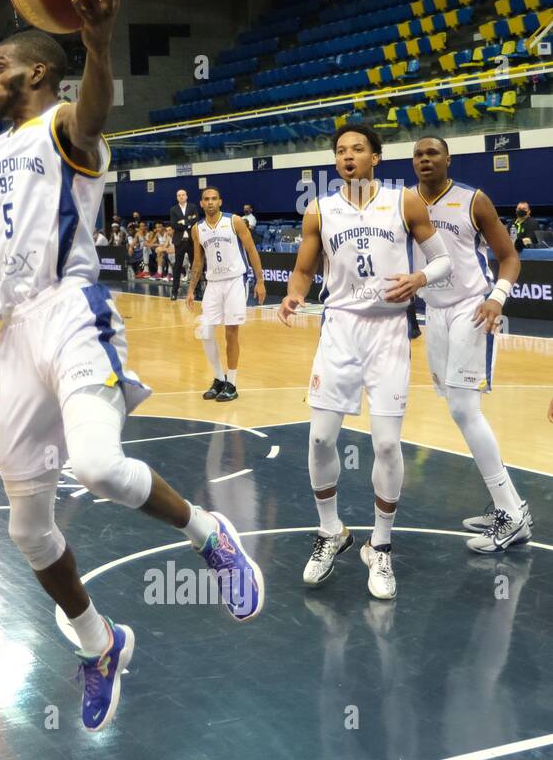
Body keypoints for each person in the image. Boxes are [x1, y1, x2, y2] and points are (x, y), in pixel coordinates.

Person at [0, 0, 264, 734]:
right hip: (14, 333)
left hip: (74, 312)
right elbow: (2, 264)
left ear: (37, 72)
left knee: (98, 467)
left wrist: (99, 43)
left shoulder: (65, 122)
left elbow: (96, 111)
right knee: (26, 529)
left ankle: (212, 535)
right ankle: (99, 644)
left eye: (1, 65)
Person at [279, 123, 451, 600]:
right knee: (319, 438)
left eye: (357, 149)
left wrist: (418, 278)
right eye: (340, 151)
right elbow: (302, 270)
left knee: (389, 446)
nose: (347, 156)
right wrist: (293, 297)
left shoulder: (404, 201)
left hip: (389, 333)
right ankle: (331, 530)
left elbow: (443, 263)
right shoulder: (321, 209)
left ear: (376, 156)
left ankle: (381, 546)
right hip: (339, 331)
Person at [409, 137, 531, 552]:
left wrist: (497, 299)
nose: (425, 160)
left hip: (470, 308)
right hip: (434, 312)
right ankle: (507, 504)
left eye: (433, 154)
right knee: (458, 408)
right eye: (419, 155)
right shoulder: (404, 203)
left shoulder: (473, 200)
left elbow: (509, 257)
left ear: (448, 159)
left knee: (464, 407)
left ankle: (512, 516)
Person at [185, 186, 266, 402]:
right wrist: (191, 288)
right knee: (206, 331)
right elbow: (198, 260)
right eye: (206, 199)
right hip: (213, 283)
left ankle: (232, 382)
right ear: (201, 204)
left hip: (235, 281)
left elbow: (251, 250)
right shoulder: (197, 229)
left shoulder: (234, 221)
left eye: (214, 199)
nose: (210, 202)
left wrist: (260, 281)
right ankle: (219, 378)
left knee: (231, 332)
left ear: (220, 201)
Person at [169, 188, 200, 301]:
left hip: (192, 242)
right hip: (179, 242)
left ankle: (198, 292)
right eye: (179, 195)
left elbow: (196, 220)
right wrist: (188, 222)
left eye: (183, 195)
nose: (181, 196)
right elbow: (174, 225)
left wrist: (183, 222)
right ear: (177, 197)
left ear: (186, 196)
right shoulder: (173, 209)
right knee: (177, 267)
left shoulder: (193, 207)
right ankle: (174, 293)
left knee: (195, 266)